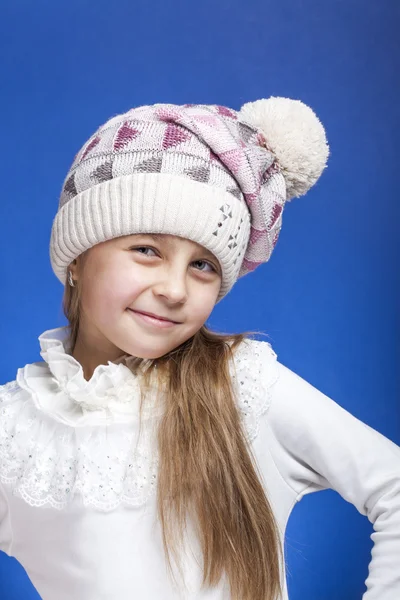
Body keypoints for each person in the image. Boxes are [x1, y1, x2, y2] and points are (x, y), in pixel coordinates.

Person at [0, 98, 398, 600]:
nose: (174, 289)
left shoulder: (241, 387)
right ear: (77, 259)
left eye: (203, 266)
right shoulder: (15, 428)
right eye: (147, 250)